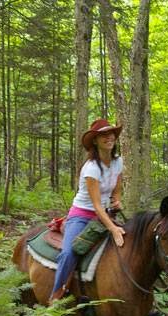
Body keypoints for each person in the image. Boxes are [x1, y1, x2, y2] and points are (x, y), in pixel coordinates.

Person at [49, 118, 126, 303]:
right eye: (103, 135)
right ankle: (56, 295)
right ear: (95, 141)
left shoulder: (117, 161)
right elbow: (97, 206)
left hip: (105, 215)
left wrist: (117, 200)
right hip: (82, 216)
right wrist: (113, 229)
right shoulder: (91, 168)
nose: (109, 138)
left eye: (111, 134)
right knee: (69, 253)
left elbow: (117, 187)